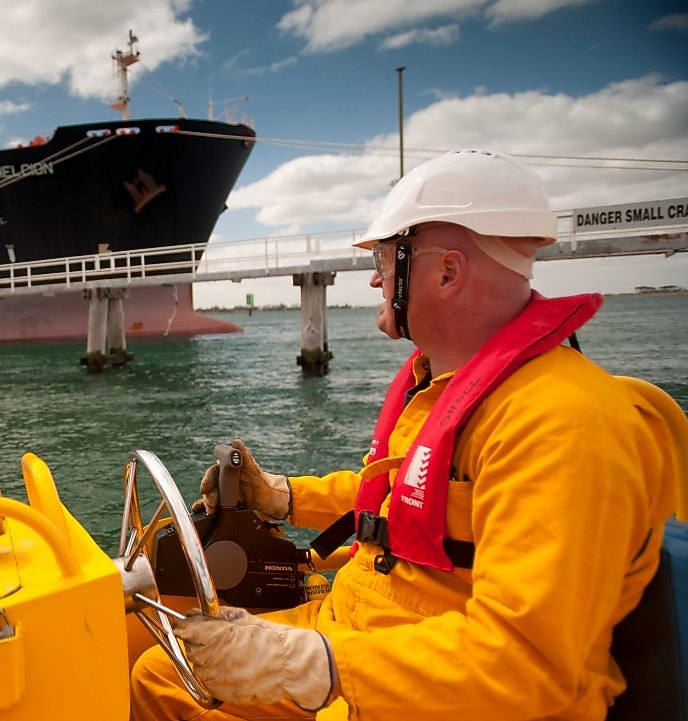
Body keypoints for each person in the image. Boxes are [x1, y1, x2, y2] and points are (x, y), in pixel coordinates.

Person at [129, 149, 679, 720]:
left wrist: (308, 665)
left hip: (428, 687)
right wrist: (283, 495)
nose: (373, 277)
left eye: (388, 259)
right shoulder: (448, 384)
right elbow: (403, 502)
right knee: (162, 675)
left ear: (446, 271)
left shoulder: (564, 421)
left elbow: (529, 663)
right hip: (365, 625)